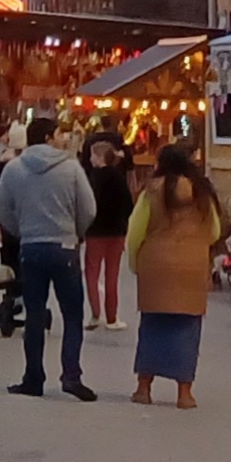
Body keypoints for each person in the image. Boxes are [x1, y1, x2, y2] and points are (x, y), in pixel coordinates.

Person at [0, 116, 98, 402]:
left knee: (35, 314)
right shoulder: (71, 168)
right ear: (50, 137)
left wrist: (22, 229)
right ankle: (71, 375)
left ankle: (33, 377)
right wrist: (75, 231)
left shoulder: (13, 168)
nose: (63, 138)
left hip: (31, 246)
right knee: (72, 314)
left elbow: (1, 208)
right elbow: (88, 208)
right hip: (64, 246)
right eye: (59, 134)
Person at [127, 145, 222, 408]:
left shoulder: (152, 191)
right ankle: (184, 393)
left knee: (152, 326)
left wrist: (135, 261)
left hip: (155, 265)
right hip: (192, 266)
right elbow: (214, 230)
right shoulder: (203, 192)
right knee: (187, 330)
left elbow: (136, 230)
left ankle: (144, 387)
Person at [82, 138, 134, 333]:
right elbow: (128, 204)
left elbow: (86, 205)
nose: (90, 158)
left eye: (93, 155)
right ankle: (112, 317)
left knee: (91, 274)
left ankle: (95, 314)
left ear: (100, 157)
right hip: (116, 231)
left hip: (95, 231)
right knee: (112, 275)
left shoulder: (91, 179)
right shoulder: (119, 178)